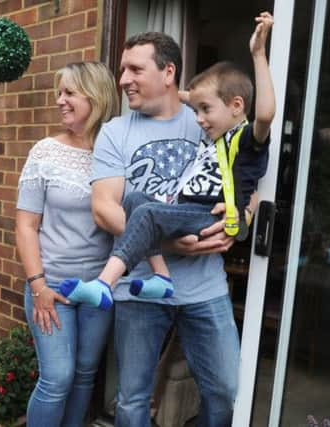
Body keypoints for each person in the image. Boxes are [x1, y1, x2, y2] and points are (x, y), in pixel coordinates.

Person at [85, 12, 274, 427]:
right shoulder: (116, 132)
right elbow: (105, 207)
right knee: (132, 399)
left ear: (169, 72)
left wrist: (241, 214)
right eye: (122, 70)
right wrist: (166, 243)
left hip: (204, 284)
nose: (122, 79)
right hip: (141, 289)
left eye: (135, 68)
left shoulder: (210, 117)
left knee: (224, 391)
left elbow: (252, 177)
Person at [60, 12, 275, 305]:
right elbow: (102, 209)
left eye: (135, 69)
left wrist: (259, 54)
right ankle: (162, 278)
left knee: (145, 214)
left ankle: (103, 284)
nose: (199, 119)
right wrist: (172, 92)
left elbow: (263, 117)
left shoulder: (241, 138)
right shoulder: (209, 129)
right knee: (136, 201)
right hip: (178, 224)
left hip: (204, 230)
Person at [15, 61, 120, 427]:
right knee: (57, 377)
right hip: (52, 287)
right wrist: (38, 284)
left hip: (99, 287)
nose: (60, 100)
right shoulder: (45, 152)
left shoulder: (116, 154)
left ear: (96, 96)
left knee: (85, 375)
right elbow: (26, 226)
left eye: (69, 93)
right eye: (59, 92)